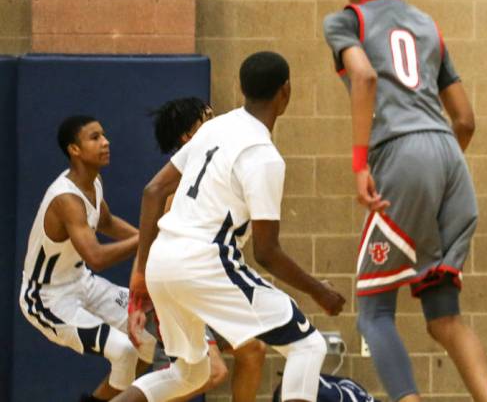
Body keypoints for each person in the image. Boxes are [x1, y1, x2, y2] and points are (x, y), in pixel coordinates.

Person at [323, 0, 487, 402]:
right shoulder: (426, 24)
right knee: (444, 317)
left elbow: (363, 78)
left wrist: (362, 165)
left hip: (402, 155)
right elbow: (465, 119)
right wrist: (437, 175)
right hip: (449, 157)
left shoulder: (346, 20)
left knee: (374, 312)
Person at [113, 52, 346, 402]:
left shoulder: (213, 128)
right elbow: (266, 253)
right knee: (307, 345)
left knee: (190, 372)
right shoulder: (263, 156)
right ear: (287, 91)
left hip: (163, 261)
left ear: (241, 87)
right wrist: (319, 291)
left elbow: (153, 191)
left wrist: (142, 270)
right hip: (206, 262)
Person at [19, 115, 156, 402]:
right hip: (46, 297)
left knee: (148, 340)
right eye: (95, 138)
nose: (105, 142)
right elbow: (96, 256)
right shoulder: (66, 199)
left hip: (82, 282)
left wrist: (151, 243)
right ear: (74, 150)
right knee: (124, 351)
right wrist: (145, 237)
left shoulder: (93, 183)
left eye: (104, 135)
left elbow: (105, 221)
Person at [148, 96, 267, 402]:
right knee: (211, 373)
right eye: (208, 117)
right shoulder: (181, 186)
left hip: (209, 284)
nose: (218, 121)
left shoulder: (216, 167)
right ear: (189, 137)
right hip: (186, 290)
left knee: (253, 350)